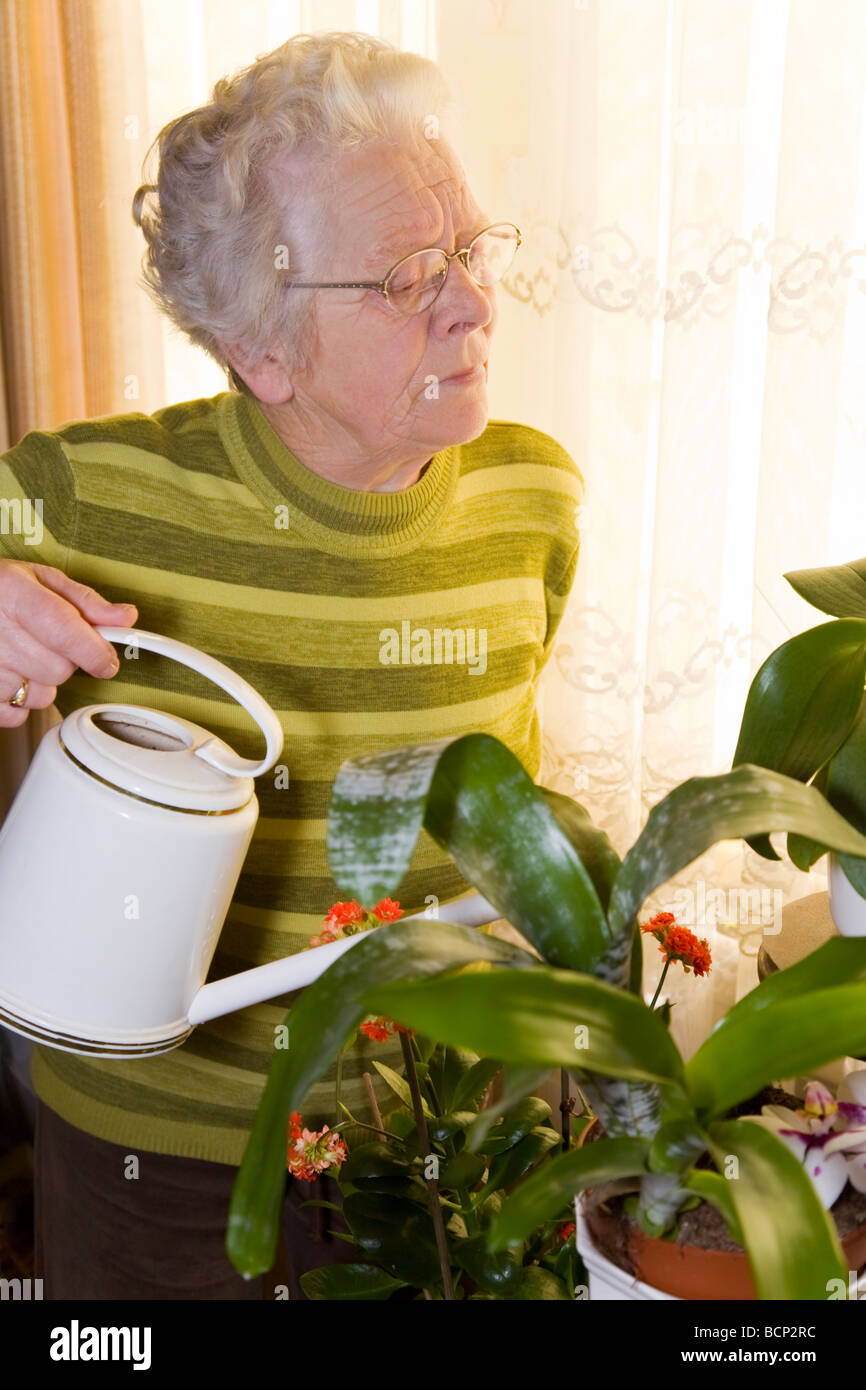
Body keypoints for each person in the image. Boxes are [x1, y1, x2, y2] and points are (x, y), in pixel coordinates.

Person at [0, 30, 583, 1299]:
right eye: (402, 277)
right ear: (260, 351)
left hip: (459, 1141)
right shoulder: (95, 495)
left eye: (471, 251)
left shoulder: (531, 494)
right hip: (167, 1163)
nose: (473, 302)